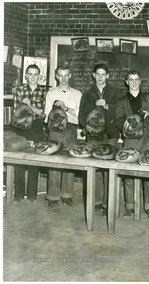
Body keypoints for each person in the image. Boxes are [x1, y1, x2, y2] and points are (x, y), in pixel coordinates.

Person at [79, 63, 121, 216]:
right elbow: (81, 115)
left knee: (109, 171)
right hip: (94, 136)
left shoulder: (116, 91)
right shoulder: (88, 93)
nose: (100, 77)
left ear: (108, 76)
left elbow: (122, 112)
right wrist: (93, 107)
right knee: (95, 170)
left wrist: (108, 106)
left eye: (103, 74)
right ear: (93, 75)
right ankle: (96, 202)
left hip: (111, 135)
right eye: (98, 74)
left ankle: (108, 204)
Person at [115, 71, 149, 219]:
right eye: (130, 80)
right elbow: (118, 120)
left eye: (136, 79)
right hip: (129, 139)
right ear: (127, 82)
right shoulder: (122, 100)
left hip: (146, 139)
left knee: (148, 172)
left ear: (140, 81)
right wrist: (128, 126)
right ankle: (130, 206)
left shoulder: (148, 98)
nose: (133, 82)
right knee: (129, 173)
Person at [44, 65, 82, 207]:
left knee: (69, 162)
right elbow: (47, 116)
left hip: (71, 130)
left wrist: (66, 108)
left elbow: (81, 117)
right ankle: (53, 197)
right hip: (55, 130)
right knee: (54, 162)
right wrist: (56, 111)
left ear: (70, 75)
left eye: (66, 75)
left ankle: (67, 195)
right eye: (60, 75)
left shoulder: (77, 94)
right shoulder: (51, 93)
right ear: (56, 76)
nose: (64, 78)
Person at [11, 64, 46, 203]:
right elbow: (16, 112)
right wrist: (23, 106)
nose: (32, 77)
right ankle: (18, 195)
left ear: (39, 76)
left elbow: (43, 114)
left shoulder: (43, 91)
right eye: (30, 74)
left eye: (35, 74)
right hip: (20, 127)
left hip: (36, 128)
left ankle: (32, 195)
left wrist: (29, 105)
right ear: (25, 75)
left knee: (33, 161)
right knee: (19, 160)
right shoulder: (19, 90)